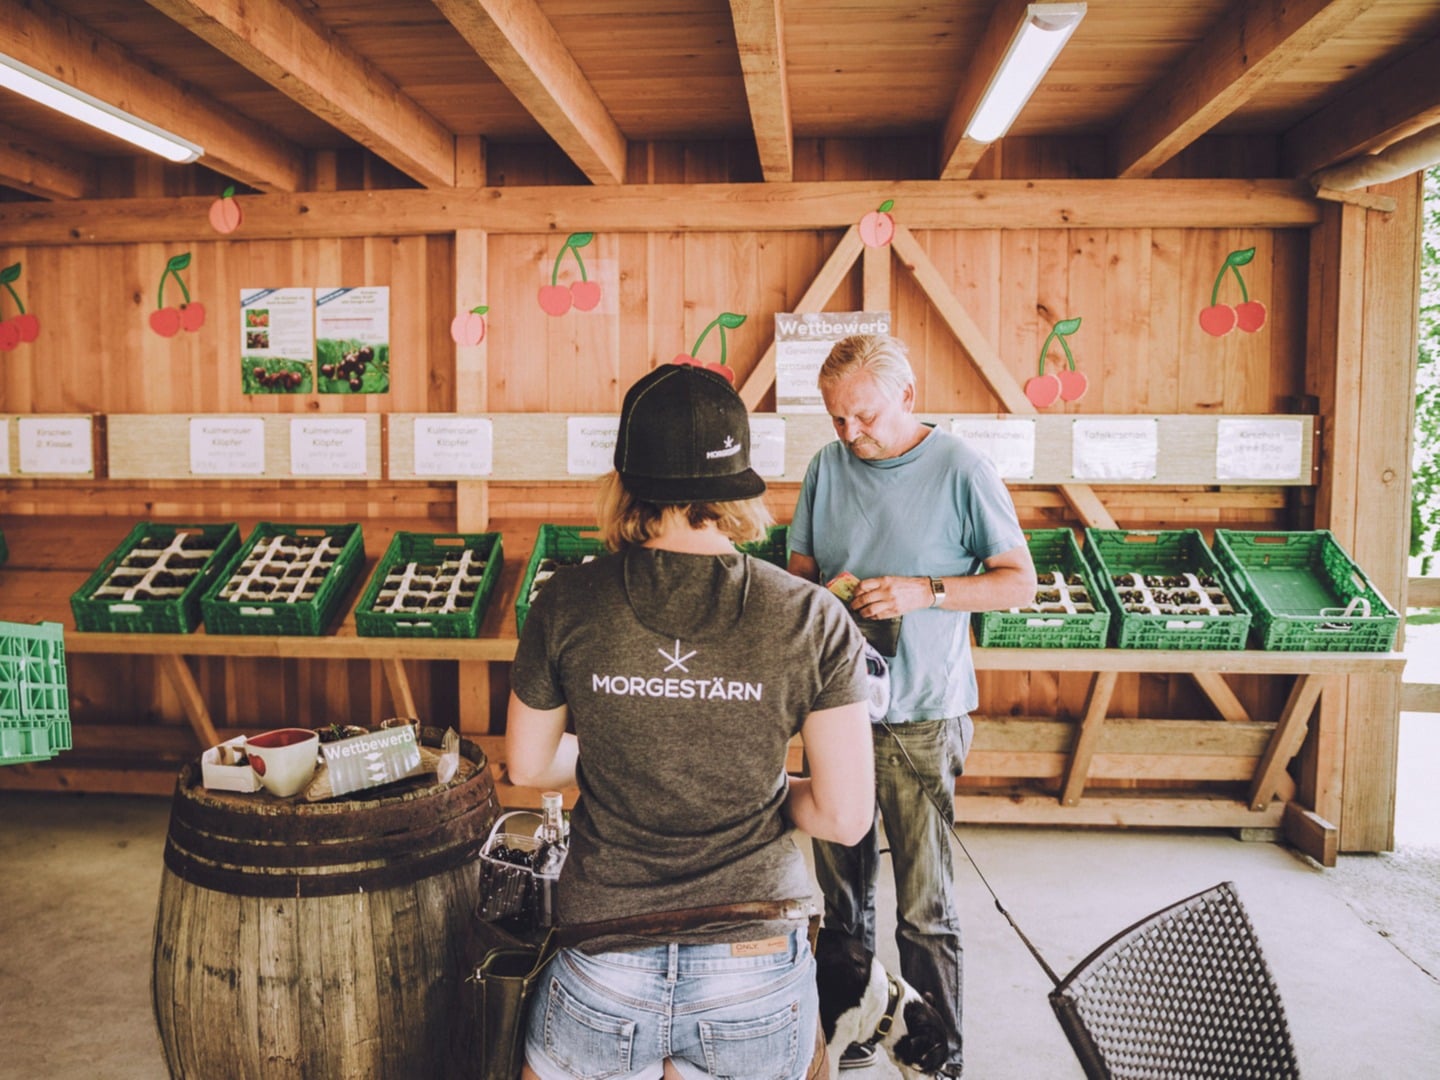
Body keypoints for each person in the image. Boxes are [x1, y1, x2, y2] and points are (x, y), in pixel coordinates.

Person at [507, 361, 876, 1080]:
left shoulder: (568, 600)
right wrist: (771, 790)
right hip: (756, 966)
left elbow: (525, 766)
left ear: (626, 478)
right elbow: (844, 816)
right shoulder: (810, 616)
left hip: (602, 964)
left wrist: (618, 753)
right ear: (735, 483)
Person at [787, 333, 1037, 1078]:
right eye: (836, 419)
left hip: (924, 716)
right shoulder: (825, 469)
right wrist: (824, 594)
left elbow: (1017, 581)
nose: (849, 433)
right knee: (843, 893)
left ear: (907, 394)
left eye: (862, 416)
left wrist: (925, 592)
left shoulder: (961, 468)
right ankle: (857, 1031)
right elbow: (799, 573)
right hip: (837, 716)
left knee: (924, 905)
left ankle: (938, 1055)